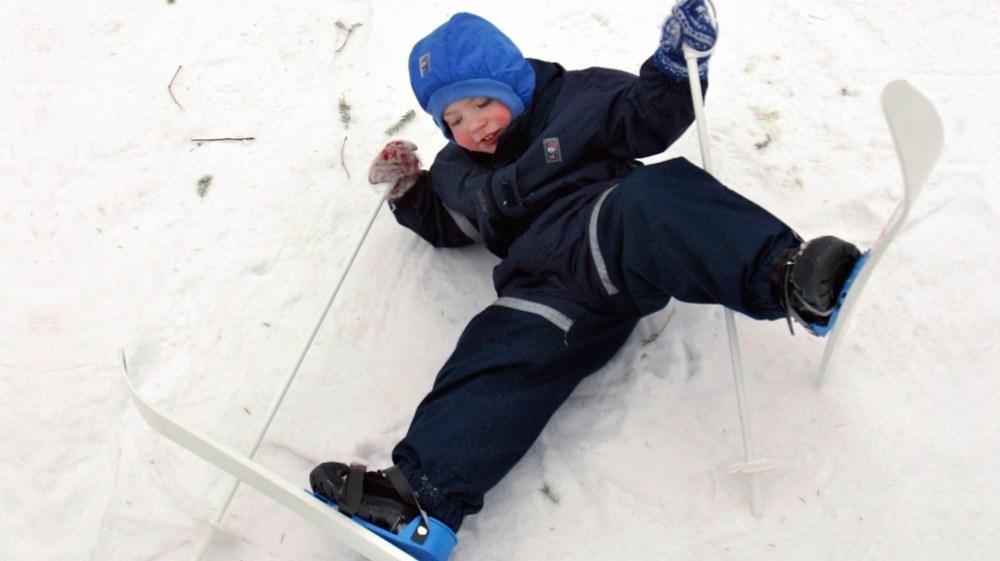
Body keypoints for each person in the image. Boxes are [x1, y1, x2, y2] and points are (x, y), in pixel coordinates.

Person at [310, 3, 862, 559]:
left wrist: (675, 68)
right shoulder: (456, 170)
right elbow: (450, 223)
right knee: (497, 350)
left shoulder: (578, 99)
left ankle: (787, 276)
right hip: (547, 289)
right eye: (452, 118)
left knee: (658, 197)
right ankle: (421, 498)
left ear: (514, 78)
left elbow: (647, 116)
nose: (471, 125)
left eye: (482, 102)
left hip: (612, 233)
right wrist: (409, 193)